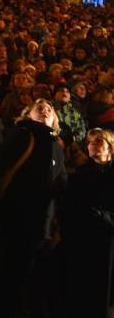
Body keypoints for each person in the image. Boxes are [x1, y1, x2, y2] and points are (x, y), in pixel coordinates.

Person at [0, 98, 67, 318]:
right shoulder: (21, 136)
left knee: (29, 275)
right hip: (17, 218)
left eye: (49, 108)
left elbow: (61, 185)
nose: (45, 109)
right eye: (38, 107)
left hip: (43, 224)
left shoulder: (56, 147)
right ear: (27, 114)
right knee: (12, 273)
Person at [60, 128, 114, 318]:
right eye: (90, 142)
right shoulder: (81, 174)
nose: (93, 145)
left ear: (110, 147)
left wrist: (106, 217)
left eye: (99, 141)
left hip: (108, 238)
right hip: (83, 237)